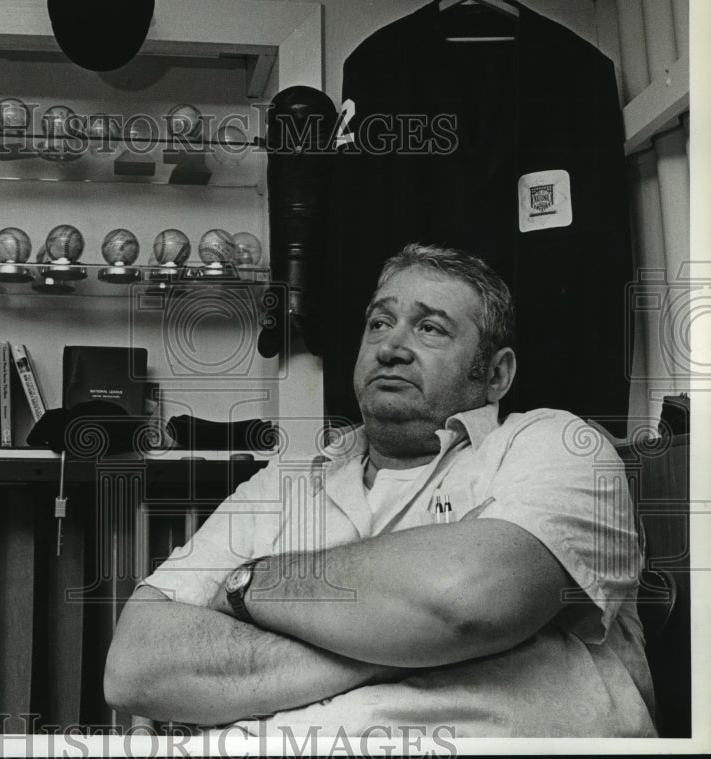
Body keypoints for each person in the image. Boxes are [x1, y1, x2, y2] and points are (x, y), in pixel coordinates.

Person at [104, 244, 656, 738]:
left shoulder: (554, 443)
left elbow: (468, 601)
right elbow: (135, 666)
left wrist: (247, 586)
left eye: (431, 328)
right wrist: (417, 645)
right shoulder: (285, 481)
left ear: (496, 375)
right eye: (378, 323)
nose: (391, 346)